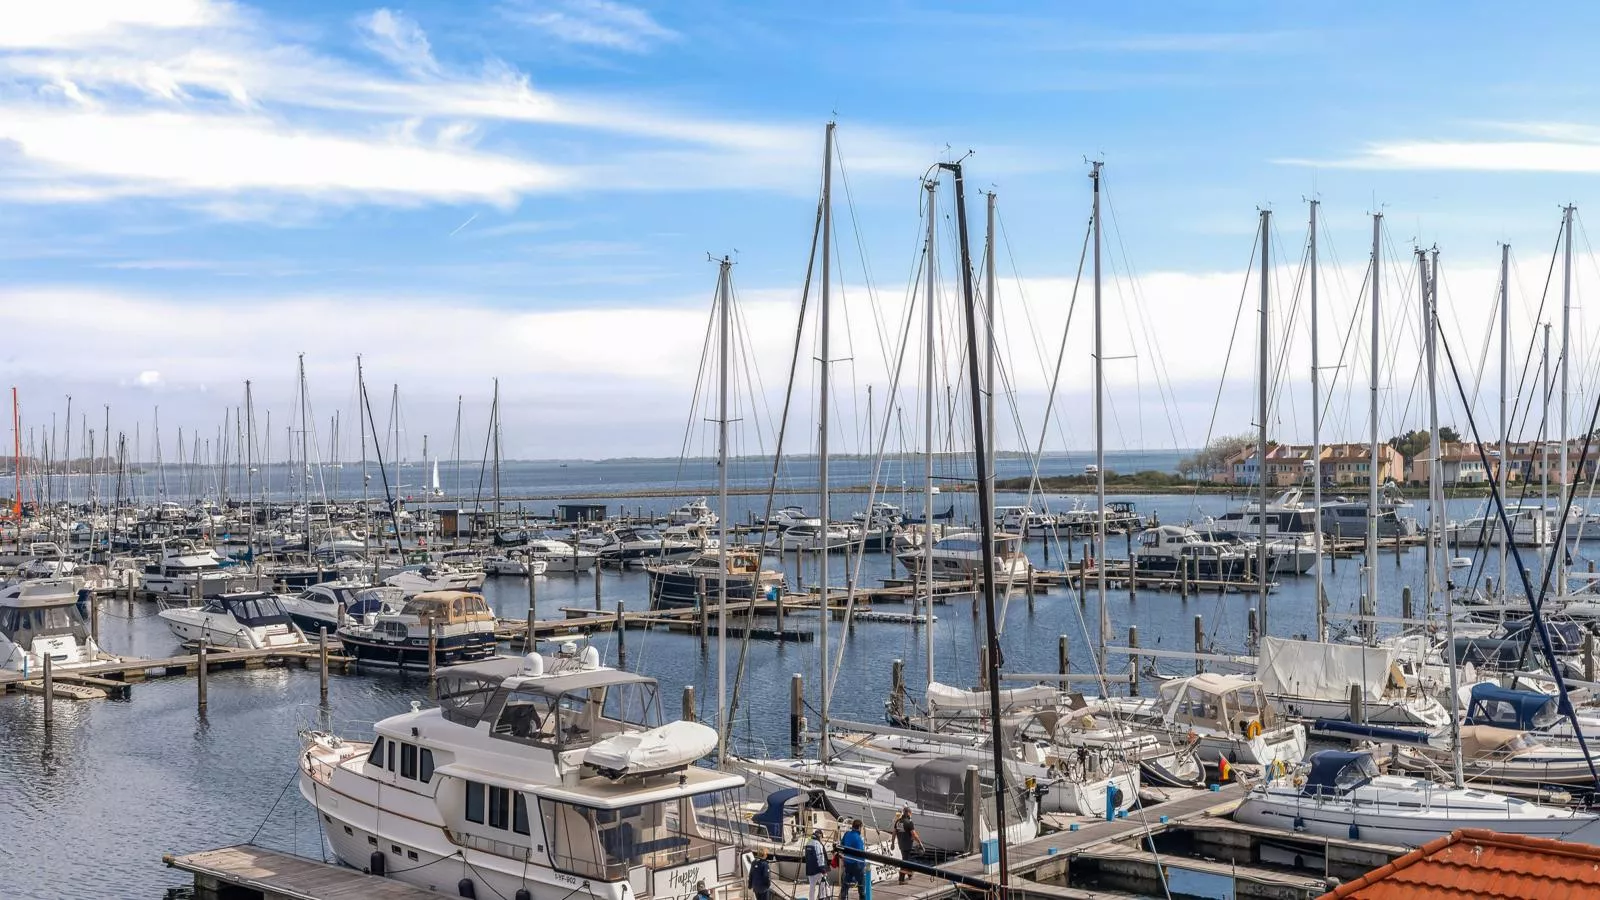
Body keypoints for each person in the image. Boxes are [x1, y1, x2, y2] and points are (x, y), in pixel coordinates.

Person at [838, 819, 867, 900]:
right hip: (857, 865)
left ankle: (842, 898)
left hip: (848, 863)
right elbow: (861, 854)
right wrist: (863, 865)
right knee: (861, 887)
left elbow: (842, 845)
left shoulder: (847, 834)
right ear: (859, 827)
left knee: (845, 885)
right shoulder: (858, 839)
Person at [894, 806, 922, 884]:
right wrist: (920, 843)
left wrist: (893, 843)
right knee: (905, 861)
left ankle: (910, 875)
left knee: (906, 859)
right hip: (907, 845)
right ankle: (901, 879)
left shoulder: (898, 821)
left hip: (901, 845)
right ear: (909, 813)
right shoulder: (909, 822)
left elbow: (894, 833)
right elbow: (914, 835)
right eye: (911, 813)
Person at [804, 827, 832, 900]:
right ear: (819, 836)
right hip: (818, 870)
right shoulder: (818, 844)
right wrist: (823, 870)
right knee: (823, 885)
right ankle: (822, 898)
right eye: (822, 837)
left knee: (812, 887)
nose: (822, 839)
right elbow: (820, 858)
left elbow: (806, 857)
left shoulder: (808, 842)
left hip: (809, 870)